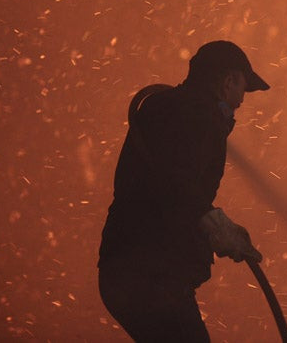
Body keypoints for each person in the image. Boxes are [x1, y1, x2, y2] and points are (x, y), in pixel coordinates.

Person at [98, 40, 270, 342]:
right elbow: (176, 185)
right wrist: (218, 226)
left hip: (125, 267)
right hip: (151, 273)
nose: (243, 99)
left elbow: (167, 181)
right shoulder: (196, 117)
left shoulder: (170, 109)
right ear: (229, 80)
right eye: (243, 87)